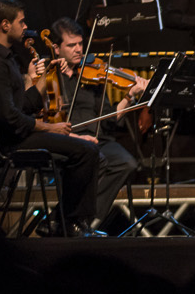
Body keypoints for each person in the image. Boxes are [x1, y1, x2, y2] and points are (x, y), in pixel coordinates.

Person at [0, 0, 105, 237]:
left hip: (21, 133)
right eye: (21, 22)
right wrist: (49, 128)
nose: (25, 27)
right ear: (4, 25)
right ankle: (69, 223)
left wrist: (48, 75)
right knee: (86, 151)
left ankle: (64, 222)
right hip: (14, 141)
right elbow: (8, 117)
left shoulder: (5, 58)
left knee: (86, 149)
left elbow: (24, 104)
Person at [47, 17, 150, 227]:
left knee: (126, 162)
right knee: (96, 158)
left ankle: (80, 219)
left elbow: (111, 119)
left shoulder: (93, 74)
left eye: (80, 44)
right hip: (70, 140)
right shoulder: (49, 77)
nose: (78, 50)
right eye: (71, 45)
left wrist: (129, 96)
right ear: (56, 49)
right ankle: (71, 220)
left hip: (98, 139)